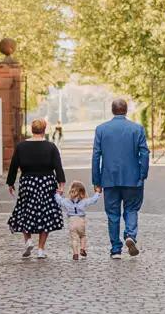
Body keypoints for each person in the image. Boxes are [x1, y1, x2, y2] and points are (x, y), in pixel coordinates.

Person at [92, 98, 150, 259]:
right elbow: (144, 153)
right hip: (133, 178)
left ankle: (116, 249)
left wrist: (96, 181)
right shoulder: (137, 129)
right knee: (131, 209)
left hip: (109, 178)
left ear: (112, 110)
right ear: (126, 110)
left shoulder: (101, 129)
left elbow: (96, 156)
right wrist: (143, 174)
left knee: (112, 213)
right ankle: (130, 235)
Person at [7, 118, 65, 259]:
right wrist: (61, 184)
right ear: (44, 130)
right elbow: (58, 166)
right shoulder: (51, 147)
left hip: (28, 182)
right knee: (45, 213)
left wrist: (11, 182)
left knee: (25, 210)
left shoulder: (21, 146)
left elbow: (13, 165)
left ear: (31, 130)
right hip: (46, 183)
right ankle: (41, 249)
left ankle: (28, 240)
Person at [55, 180, 101, 261]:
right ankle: (82, 249)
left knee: (74, 239)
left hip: (71, 222)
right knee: (82, 236)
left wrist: (57, 194)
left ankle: (75, 254)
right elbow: (93, 200)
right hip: (81, 221)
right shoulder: (83, 201)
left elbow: (59, 200)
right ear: (83, 192)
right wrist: (97, 193)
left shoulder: (66, 201)